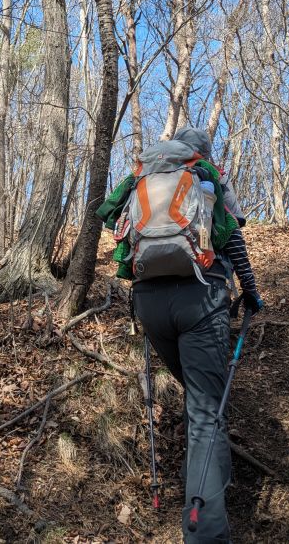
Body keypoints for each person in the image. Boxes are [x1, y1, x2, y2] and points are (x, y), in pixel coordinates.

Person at [97, 126, 263, 543]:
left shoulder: (144, 177)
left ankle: (202, 488)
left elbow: (111, 222)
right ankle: (205, 534)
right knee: (207, 413)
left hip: (149, 303)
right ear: (203, 152)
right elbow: (235, 237)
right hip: (201, 297)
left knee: (196, 396)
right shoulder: (207, 175)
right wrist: (251, 292)